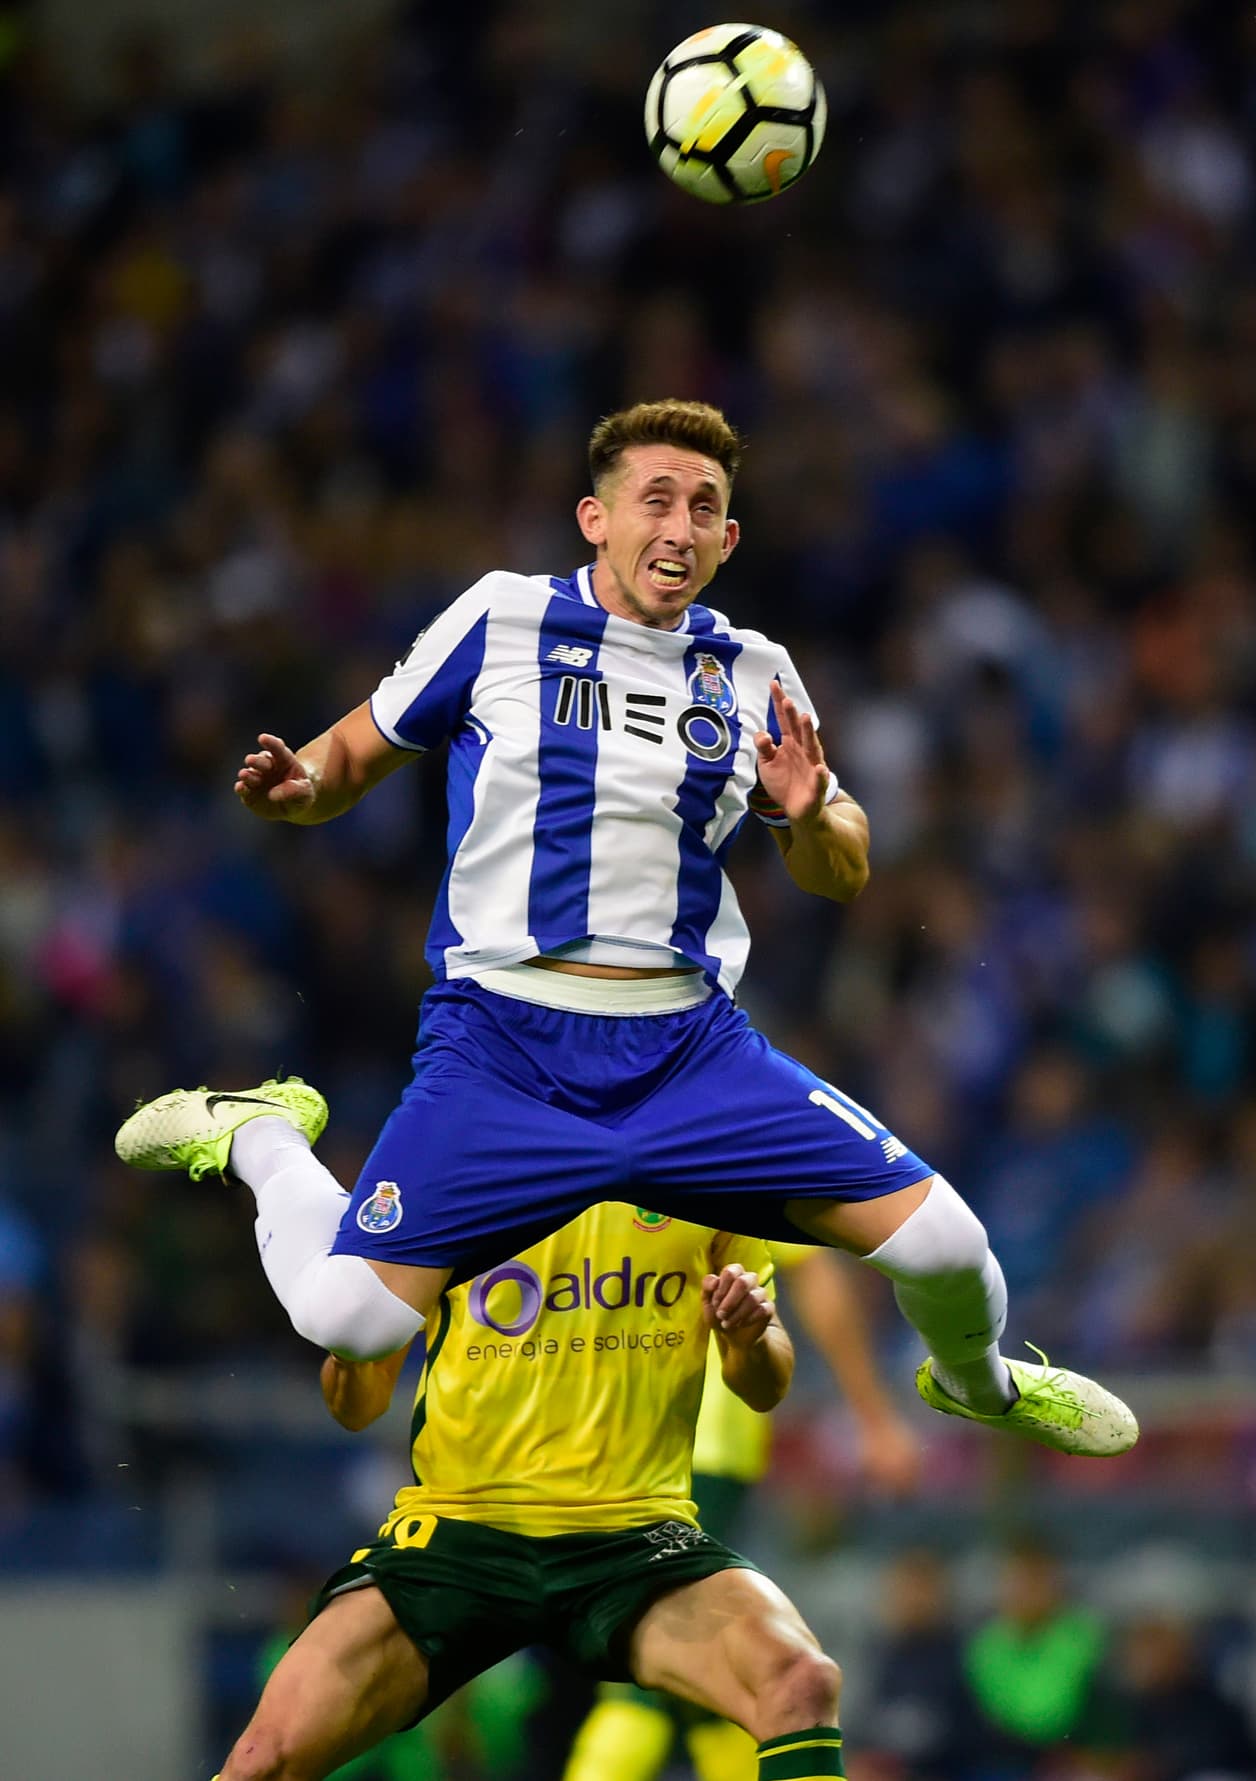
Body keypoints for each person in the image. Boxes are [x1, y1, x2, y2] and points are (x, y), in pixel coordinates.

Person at [116, 397, 1138, 1468]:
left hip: (687, 1050)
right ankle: (261, 1131)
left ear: (728, 538)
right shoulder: (501, 617)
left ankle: (978, 1383)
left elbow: (842, 865)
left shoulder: (755, 670)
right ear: (593, 518)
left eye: (705, 508)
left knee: (951, 1247)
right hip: (504, 1045)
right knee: (350, 1322)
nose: (680, 527)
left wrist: (806, 805)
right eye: (655, 500)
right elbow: (347, 759)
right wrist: (296, 789)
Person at [212, 1192, 848, 1781]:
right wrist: (351, 1337)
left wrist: (750, 1335)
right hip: (459, 1535)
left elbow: (766, 1385)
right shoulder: (445, 1165)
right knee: (261, 1760)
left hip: (635, 1536)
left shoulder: (700, 1173)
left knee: (800, 1681)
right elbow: (355, 1407)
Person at [562, 1244, 921, 1781]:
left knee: (686, 1673)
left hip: (612, 1439)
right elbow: (815, 1272)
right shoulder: (736, 1158)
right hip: (691, 1442)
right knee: (654, 1677)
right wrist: (874, 1418)